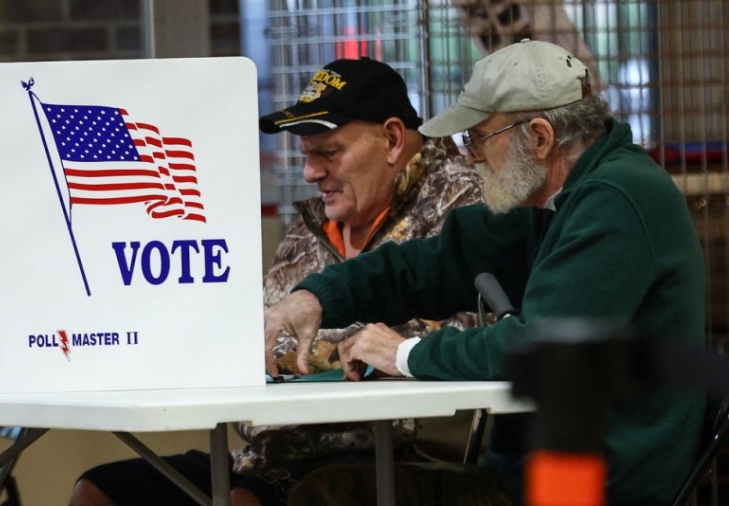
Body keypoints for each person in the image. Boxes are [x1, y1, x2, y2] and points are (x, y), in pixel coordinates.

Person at [264, 39, 706, 506]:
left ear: (538, 136)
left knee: (334, 496)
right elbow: (428, 264)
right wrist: (314, 297)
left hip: (597, 487)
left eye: (477, 138)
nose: (470, 155)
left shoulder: (617, 199)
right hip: (551, 474)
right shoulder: (553, 198)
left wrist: (406, 354)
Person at [69, 58, 484, 506]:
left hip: (395, 454)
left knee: (252, 499)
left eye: (328, 152)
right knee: (100, 490)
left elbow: (438, 335)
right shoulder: (310, 223)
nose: (310, 173)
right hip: (268, 451)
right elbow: (264, 338)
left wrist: (296, 350)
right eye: (306, 155)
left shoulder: (462, 200)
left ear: (391, 138)